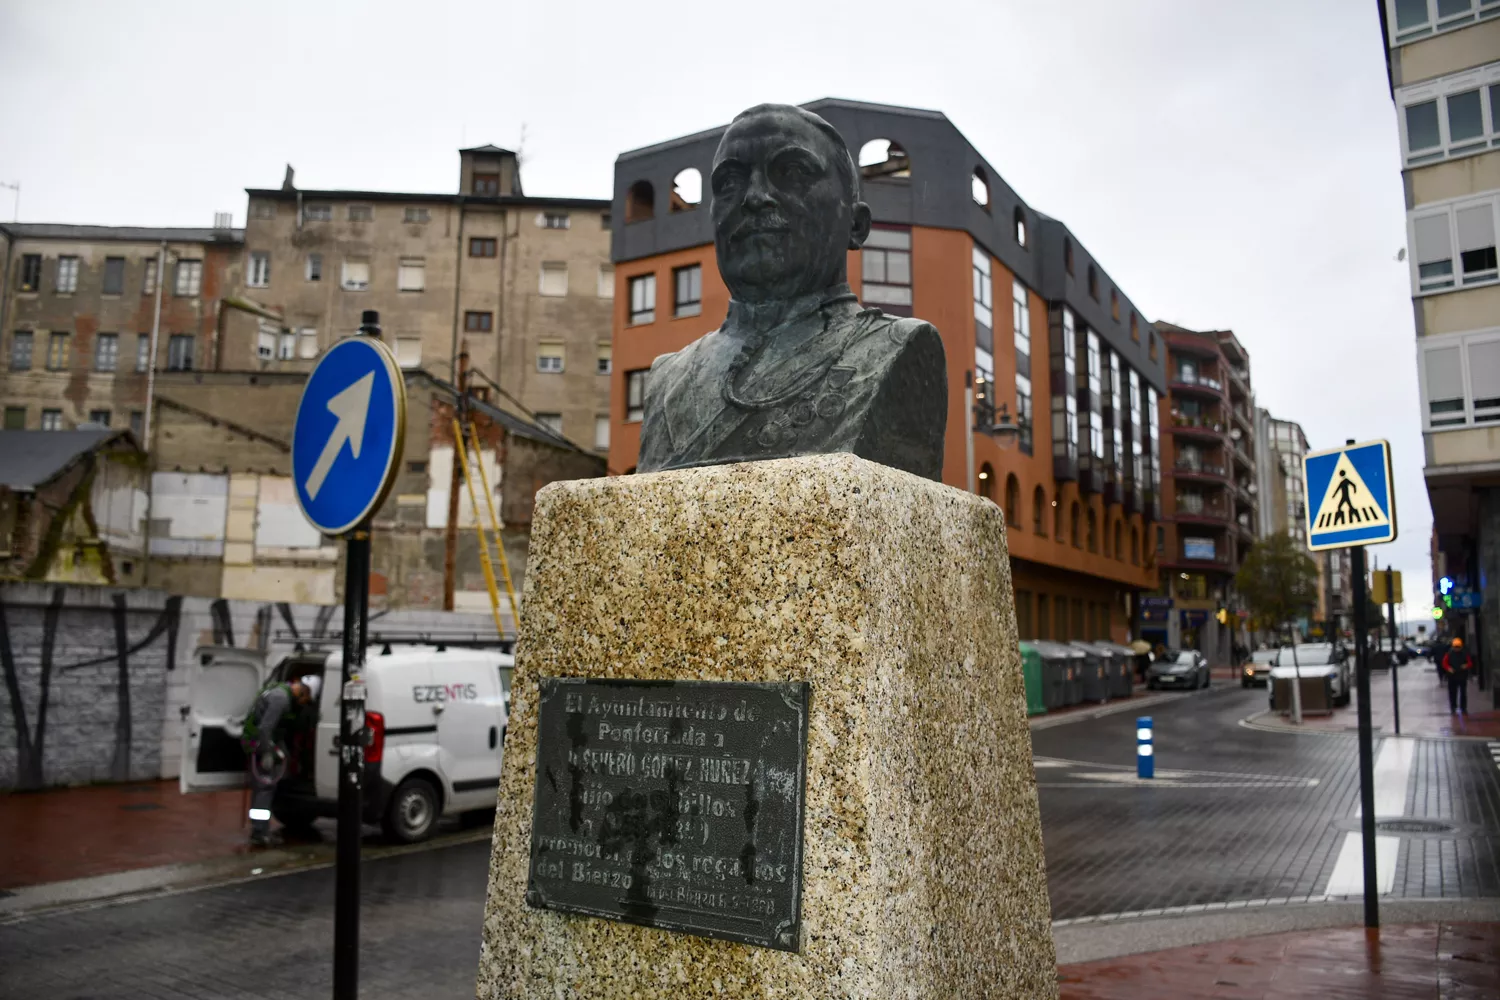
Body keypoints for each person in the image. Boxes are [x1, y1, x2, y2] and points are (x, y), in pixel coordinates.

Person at [637, 103, 947, 480]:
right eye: (730, 183)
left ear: (856, 225)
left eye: (793, 172)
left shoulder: (899, 348)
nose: (753, 197)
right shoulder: (667, 377)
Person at [241, 674, 320, 847]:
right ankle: (259, 832)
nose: (305, 702)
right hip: (259, 743)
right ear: (304, 691)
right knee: (265, 787)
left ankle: (259, 829)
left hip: (265, 741)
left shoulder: (281, 692)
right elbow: (264, 729)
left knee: (264, 786)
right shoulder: (281, 699)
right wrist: (268, 753)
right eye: (306, 698)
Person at [1440, 638, 1474, 716]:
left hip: (1462, 675)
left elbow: (1470, 663)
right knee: (1452, 692)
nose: (1457, 648)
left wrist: (1465, 666)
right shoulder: (1449, 654)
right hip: (1452, 676)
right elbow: (1444, 663)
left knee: (1463, 692)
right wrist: (1449, 668)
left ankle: (1463, 707)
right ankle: (1453, 707)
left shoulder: (1465, 653)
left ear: (1461, 647)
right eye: (1455, 647)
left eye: (1458, 647)